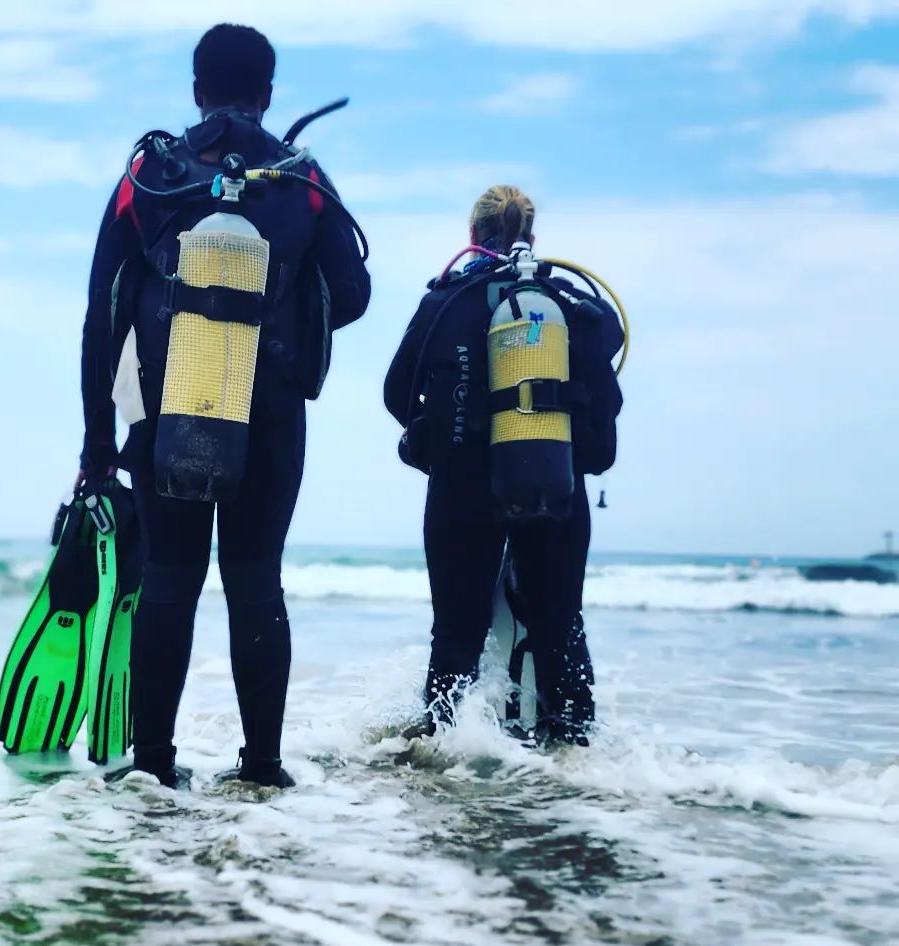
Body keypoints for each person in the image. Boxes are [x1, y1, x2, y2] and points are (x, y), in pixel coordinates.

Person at [78, 24, 371, 787]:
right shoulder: (302, 179)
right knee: (255, 577)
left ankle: (153, 765)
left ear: (196, 89)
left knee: (169, 576)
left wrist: (97, 442)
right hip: (268, 411)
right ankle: (262, 767)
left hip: (165, 406)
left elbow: (102, 313)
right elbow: (353, 294)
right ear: (268, 94)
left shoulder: (149, 175)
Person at [383, 186, 622, 746]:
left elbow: (397, 392)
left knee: (455, 636)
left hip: (462, 490)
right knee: (561, 628)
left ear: (472, 236)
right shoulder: (567, 304)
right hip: (554, 486)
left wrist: (436, 437)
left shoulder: (445, 302)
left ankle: (445, 756)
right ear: (532, 237)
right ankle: (577, 760)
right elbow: (606, 403)